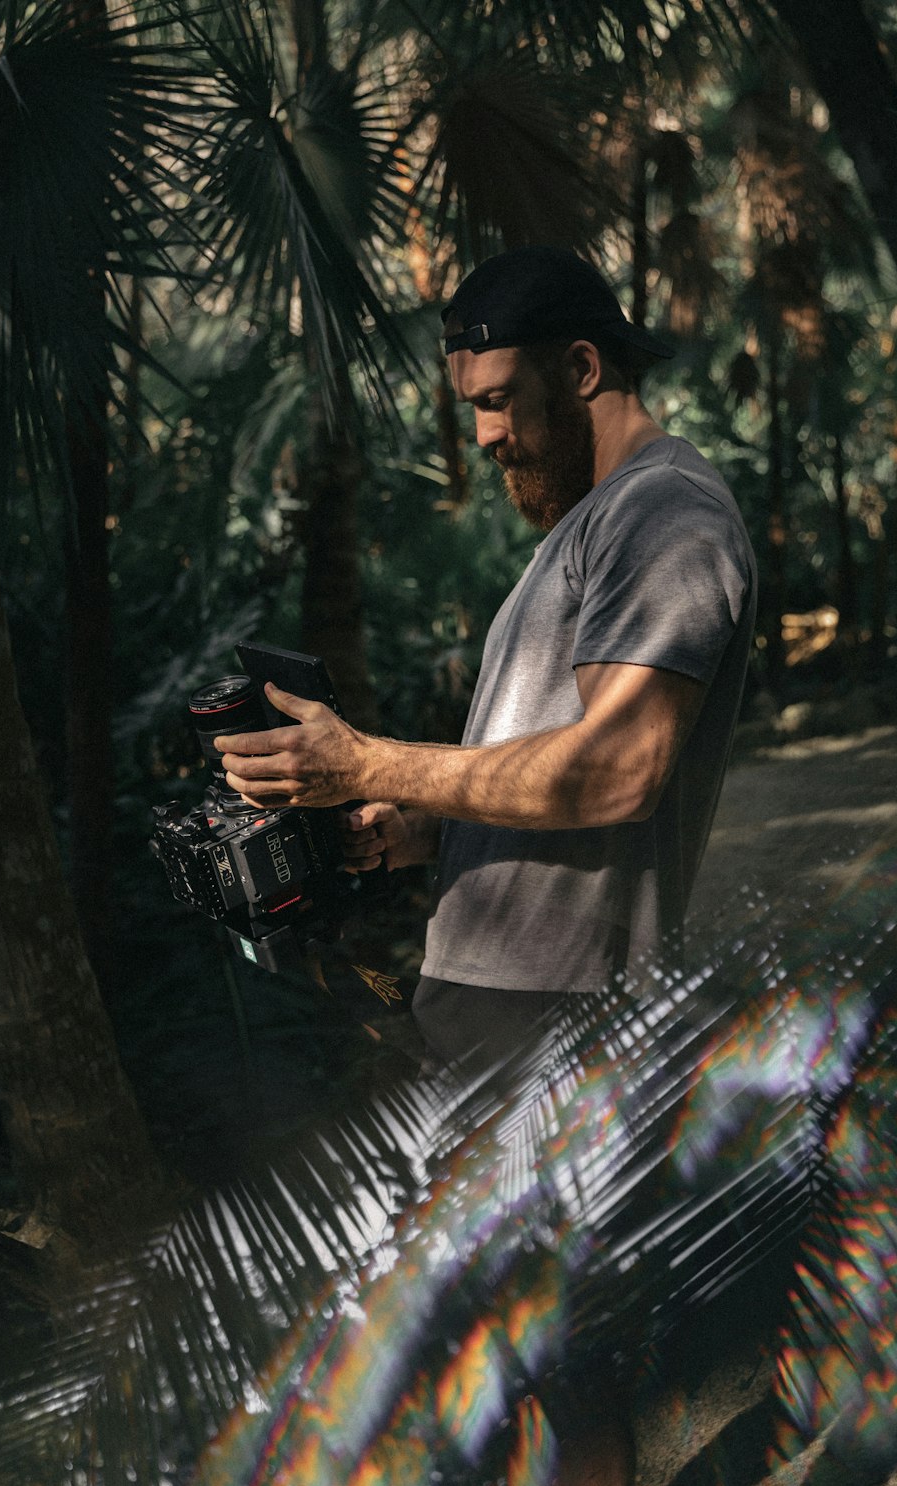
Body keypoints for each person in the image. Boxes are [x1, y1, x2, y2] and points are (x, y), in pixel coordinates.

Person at [216, 245, 757, 1078]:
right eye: (472, 407)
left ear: (580, 367)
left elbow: (619, 769)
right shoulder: (589, 525)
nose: (483, 436)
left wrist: (368, 763)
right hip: (507, 1003)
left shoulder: (662, 510)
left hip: (563, 1012)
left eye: (498, 401)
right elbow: (563, 767)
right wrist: (422, 828)